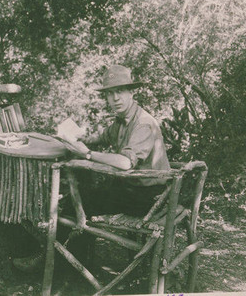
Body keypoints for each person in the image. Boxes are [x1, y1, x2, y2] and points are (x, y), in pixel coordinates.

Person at [13, 64, 170, 271]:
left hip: (151, 197)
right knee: (80, 196)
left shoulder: (143, 123)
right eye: (110, 94)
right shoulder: (121, 121)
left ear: (131, 92)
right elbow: (100, 136)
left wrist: (87, 154)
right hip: (134, 189)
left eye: (120, 92)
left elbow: (125, 162)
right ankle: (72, 260)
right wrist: (76, 136)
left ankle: (56, 261)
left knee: (81, 200)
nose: (115, 99)